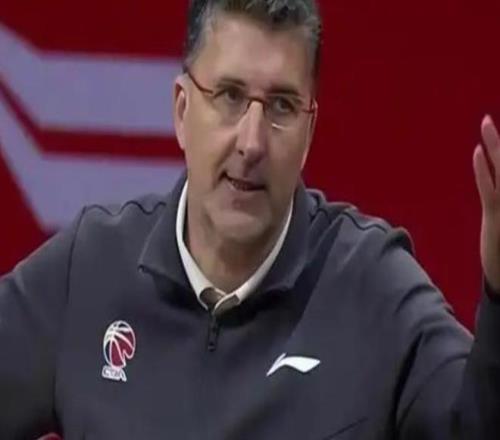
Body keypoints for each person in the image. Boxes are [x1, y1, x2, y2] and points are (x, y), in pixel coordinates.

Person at [1, 0, 500, 438]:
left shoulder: (371, 288)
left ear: (309, 132)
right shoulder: (90, 270)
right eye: (230, 96)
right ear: (182, 110)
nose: (252, 142)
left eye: (281, 105)